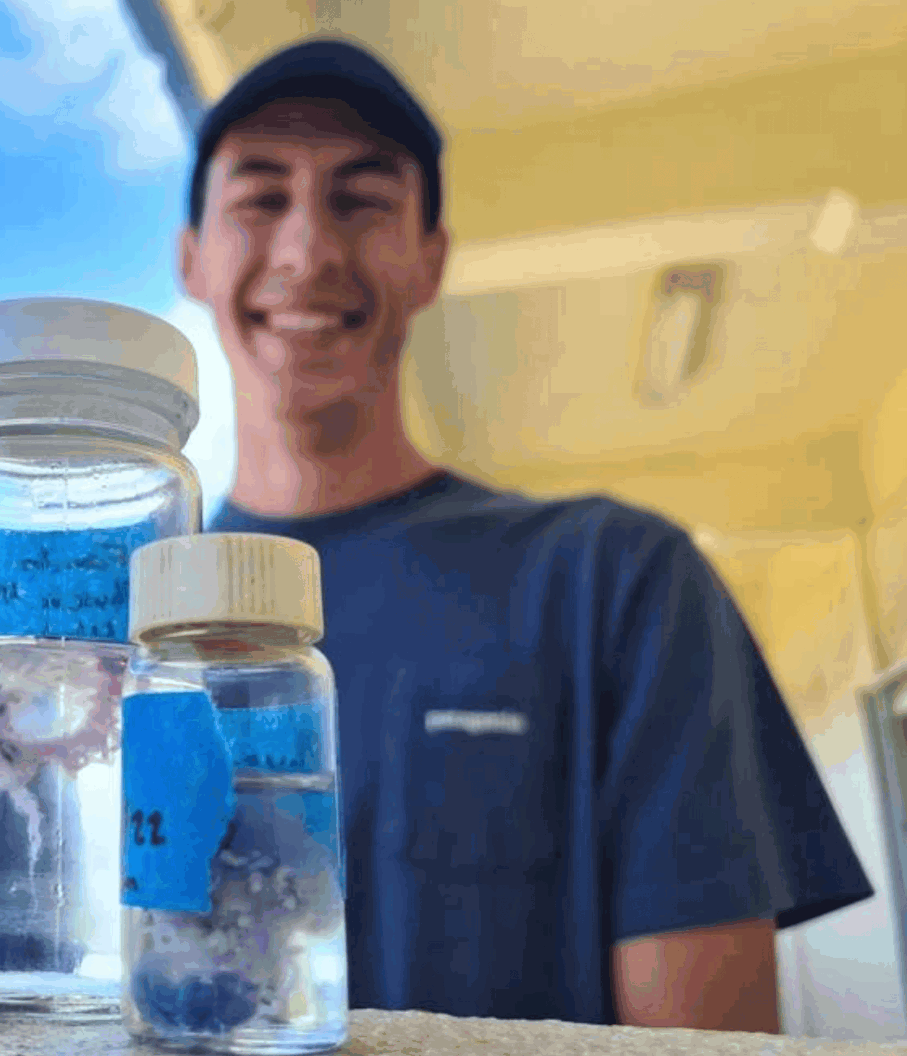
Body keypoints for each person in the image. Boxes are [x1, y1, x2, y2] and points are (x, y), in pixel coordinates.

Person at [181, 38, 873, 1032]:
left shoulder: (617, 580)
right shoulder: (125, 633)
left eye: (362, 198)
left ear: (431, 260)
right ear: (191, 258)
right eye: (260, 196)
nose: (308, 250)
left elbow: (702, 1044)